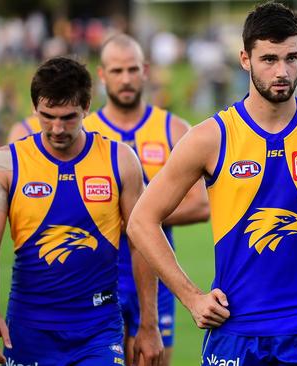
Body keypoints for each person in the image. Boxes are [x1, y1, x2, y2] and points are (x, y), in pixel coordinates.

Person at [127, 2, 297, 365]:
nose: (282, 71)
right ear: (245, 59)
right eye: (269, 59)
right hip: (234, 332)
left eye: (292, 58)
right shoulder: (212, 137)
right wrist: (192, 297)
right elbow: (141, 221)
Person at [0, 57, 164, 366]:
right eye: (47, 116)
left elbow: (144, 242)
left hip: (98, 329)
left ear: (87, 105)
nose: (57, 128)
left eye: (68, 117)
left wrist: (149, 324)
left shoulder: (120, 160)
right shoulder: (7, 164)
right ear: (34, 107)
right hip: (29, 329)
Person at [83, 34, 210, 366]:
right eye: (117, 71)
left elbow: (201, 204)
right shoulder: (85, 131)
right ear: (102, 75)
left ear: (145, 71)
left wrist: (140, 217)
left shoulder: (173, 129)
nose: (125, 79)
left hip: (156, 273)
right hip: (98, 274)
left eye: (132, 69)